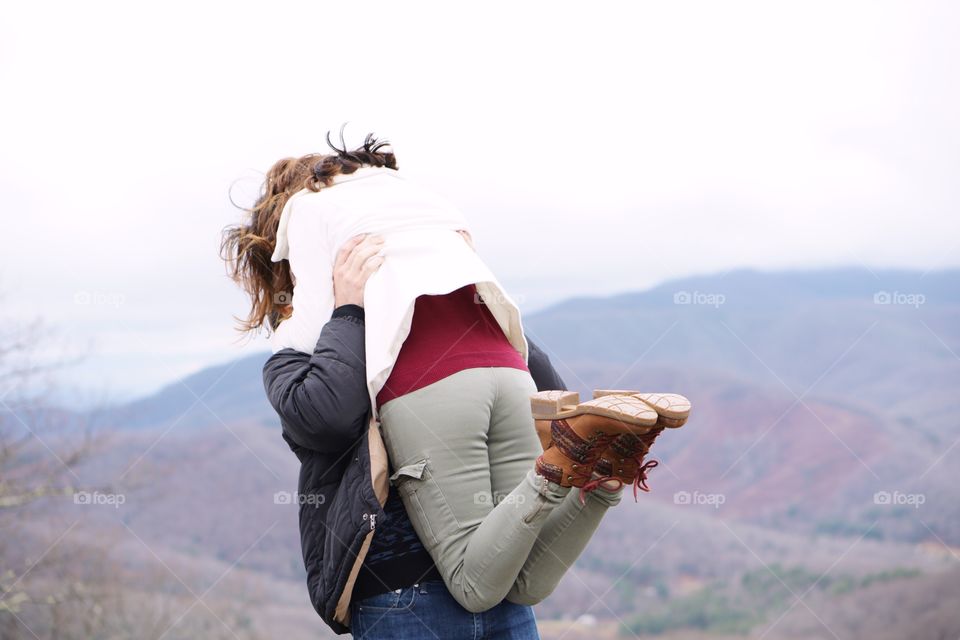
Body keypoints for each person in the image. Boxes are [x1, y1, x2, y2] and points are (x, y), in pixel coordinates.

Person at [221, 126, 689, 637]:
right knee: (522, 576)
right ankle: (604, 479)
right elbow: (331, 419)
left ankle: (586, 476)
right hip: (453, 576)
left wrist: (422, 296)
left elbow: (539, 391)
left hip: (441, 589)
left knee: (500, 581)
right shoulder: (301, 352)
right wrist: (377, 301)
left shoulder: (343, 333)